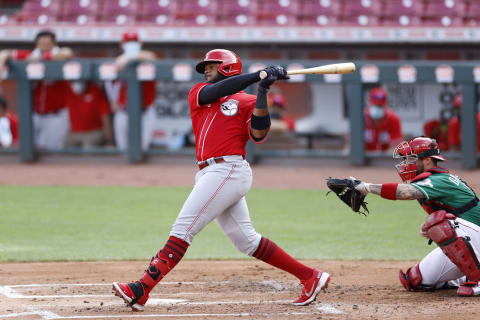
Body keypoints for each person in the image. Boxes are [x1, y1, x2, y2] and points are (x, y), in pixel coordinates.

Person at [112, 49, 331, 311]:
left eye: (211, 65)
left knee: (183, 230)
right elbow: (219, 91)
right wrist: (258, 75)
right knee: (246, 240)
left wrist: (262, 91)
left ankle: (141, 288)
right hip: (209, 172)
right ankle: (310, 276)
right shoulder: (199, 94)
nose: (205, 70)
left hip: (228, 169)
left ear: (227, 67)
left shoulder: (249, 100)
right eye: (205, 66)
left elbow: (259, 134)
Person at [351, 136, 480, 297]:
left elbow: (406, 193)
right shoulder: (431, 179)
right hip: (472, 239)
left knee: (440, 223)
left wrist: (366, 187)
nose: (406, 164)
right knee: (415, 280)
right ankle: (464, 276)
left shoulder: (439, 178)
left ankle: (478, 279)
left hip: (477, 237)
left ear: (427, 161)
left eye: (411, 158)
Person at [0, 30, 73, 150]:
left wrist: (43, 57)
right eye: (41, 43)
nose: (44, 46)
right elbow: (4, 53)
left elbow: (67, 53)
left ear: (53, 44)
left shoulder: (59, 55)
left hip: (55, 115)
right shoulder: (30, 55)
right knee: (29, 147)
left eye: (47, 43)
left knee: (52, 149)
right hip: (34, 114)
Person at [104, 31, 157, 151]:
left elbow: (152, 57)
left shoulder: (146, 58)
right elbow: (110, 82)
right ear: (122, 44)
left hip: (145, 111)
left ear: (140, 43)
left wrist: (128, 57)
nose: (131, 44)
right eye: (128, 42)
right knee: (122, 149)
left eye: (134, 42)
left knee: (143, 148)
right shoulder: (117, 62)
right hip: (123, 111)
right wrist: (112, 100)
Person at [64, 81, 113, 149]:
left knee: (88, 148)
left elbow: (105, 116)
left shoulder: (95, 90)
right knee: (66, 144)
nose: (77, 84)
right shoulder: (68, 88)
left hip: (94, 132)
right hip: (75, 133)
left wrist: (109, 141)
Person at [364, 87, 403, 152]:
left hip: (385, 160)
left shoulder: (393, 119)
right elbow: (352, 145)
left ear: (385, 106)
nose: (377, 108)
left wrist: (380, 159)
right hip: (364, 159)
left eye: (380, 106)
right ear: (369, 103)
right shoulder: (360, 119)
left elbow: (396, 148)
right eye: (374, 105)